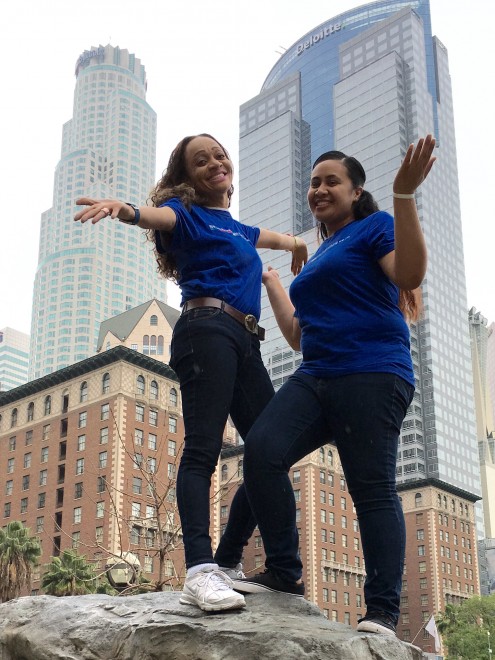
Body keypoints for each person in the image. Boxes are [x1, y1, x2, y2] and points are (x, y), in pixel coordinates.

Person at [73, 133, 308, 612]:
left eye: (219, 155)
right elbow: (155, 215)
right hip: (206, 330)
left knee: (270, 450)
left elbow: (277, 239)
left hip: (246, 339)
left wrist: (297, 245)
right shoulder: (187, 216)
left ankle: (252, 564)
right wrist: (125, 210)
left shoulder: (237, 229)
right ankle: (201, 571)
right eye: (201, 161)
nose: (215, 163)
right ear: (187, 179)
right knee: (204, 448)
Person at [232, 135, 436, 636]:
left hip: (371, 370)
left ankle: (383, 611)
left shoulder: (374, 227)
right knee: (261, 449)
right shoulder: (323, 252)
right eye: (314, 183)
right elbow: (299, 336)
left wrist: (404, 197)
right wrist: (276, 285)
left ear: (355, 190)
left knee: (370, 489)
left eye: (331, 181)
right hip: (316, 372)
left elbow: (409, 272)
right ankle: (284, 570)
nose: (319, 189)